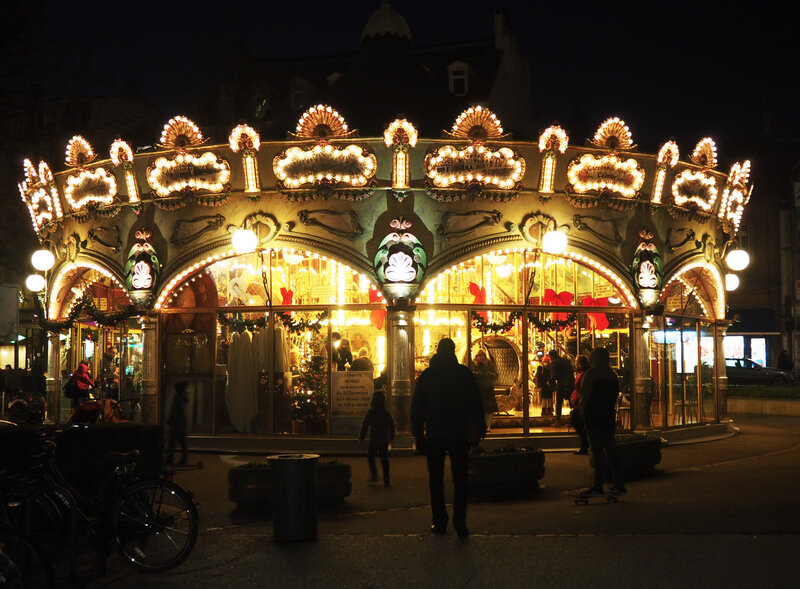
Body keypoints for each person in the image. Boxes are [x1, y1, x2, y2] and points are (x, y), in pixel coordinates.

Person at [411, 338, 486, 537]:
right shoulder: (463, 374)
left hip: (435, 431)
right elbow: (475, 403)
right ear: (453, 351)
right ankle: (460, 521)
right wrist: (479, 428)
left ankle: (439, 520)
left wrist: (418, 434)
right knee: (460, 478)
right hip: (458, 431)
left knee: (435, 479)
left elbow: (417, 407)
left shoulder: (428, 375)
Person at [580, 347, 625, 497]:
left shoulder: (591, 375)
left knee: (597, 452)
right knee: (611, 451)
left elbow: (585, 397)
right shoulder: (613, 375)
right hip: (608, 415)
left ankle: (597, 484)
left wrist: (583, 414)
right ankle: (618, 482)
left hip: (594, 416)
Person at [358, 390, 395, 486]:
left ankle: (374, 474)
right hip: (383, 439)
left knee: (371, 457)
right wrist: (391, 436)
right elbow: (391, 425)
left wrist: (362, 436)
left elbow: (365, 425)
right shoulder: (386, 413)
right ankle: (386, 478)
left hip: (374, 439)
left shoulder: (371, 412)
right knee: (384, 459)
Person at [471, 349, 498, 431]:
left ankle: (487, 425)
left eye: (482, 356)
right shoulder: (473, 365)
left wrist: (488, 375)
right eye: (479, 356)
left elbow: (495, 375)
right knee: (479, 409)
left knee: (488, 410)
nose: (481, 358)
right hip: (478, 389)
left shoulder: (489, 365)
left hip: (487, 389)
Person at [570, 354, 590, 455]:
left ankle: (584, 445)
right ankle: (584, 445)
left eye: (577, 362)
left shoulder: (584, 375)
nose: (575, 364)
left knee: (579, 423)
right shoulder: (581, 374)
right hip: (578, 402)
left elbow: (583, 389)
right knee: (579, 424)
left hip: (580, 403)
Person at [166, 381, 190, 466]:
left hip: (176, 424)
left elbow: (175, 411)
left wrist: (170, 419)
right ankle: (183, 459)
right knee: (181, 442)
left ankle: (172, 459)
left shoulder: (178, 398)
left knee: (172, 443)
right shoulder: (182, 397)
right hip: (180, 424)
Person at [549, 350, 574, 423]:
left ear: (551, 356)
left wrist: (550, 381)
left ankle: (558, 420)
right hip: (570, 383)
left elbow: (553, 375)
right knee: (571, 402)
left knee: (559, 402)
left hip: (561, 384)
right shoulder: (565, 361)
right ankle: (574, 418)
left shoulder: (554, 362)